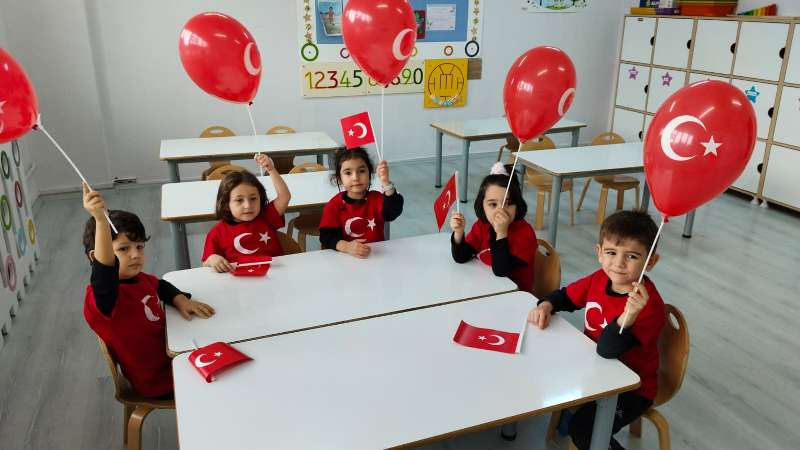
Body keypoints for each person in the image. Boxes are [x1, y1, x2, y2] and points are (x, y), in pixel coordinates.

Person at [528, 210, 666, 450]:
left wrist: (628, 315)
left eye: (632, 256)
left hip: (632, 388)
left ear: (650, 262)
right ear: (599, 253)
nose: (619, 263)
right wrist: (547, 305)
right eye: (611, 252)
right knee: (538, 367)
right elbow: (566, 297)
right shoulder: (599, 279)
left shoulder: (649, 307)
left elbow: (608, 350)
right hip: (592, 369)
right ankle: (569, 417)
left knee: (586, 432)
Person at [82, 184, 214, 398]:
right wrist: (100, 221)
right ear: (95, 256)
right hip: (160, 379)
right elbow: (104, 271)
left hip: (176, 353)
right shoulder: (103, 299)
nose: (135, 254)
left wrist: (180, 300)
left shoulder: (138, 279)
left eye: (139, 246)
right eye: (123, 249)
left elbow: (160, 285)